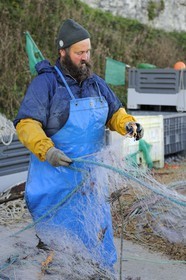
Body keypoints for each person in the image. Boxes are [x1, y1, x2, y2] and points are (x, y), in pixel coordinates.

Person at [14, 19, 144, 275]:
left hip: (91, 184)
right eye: (79, 53)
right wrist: (47, 150)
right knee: (59, 250)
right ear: (62, 52)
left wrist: (128, 124)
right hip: (56, 184)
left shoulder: (96, 83)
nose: (85, 58)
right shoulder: (46, 85)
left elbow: (115, 112)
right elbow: (26, 124)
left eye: (88, 52)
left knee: (97, 241)